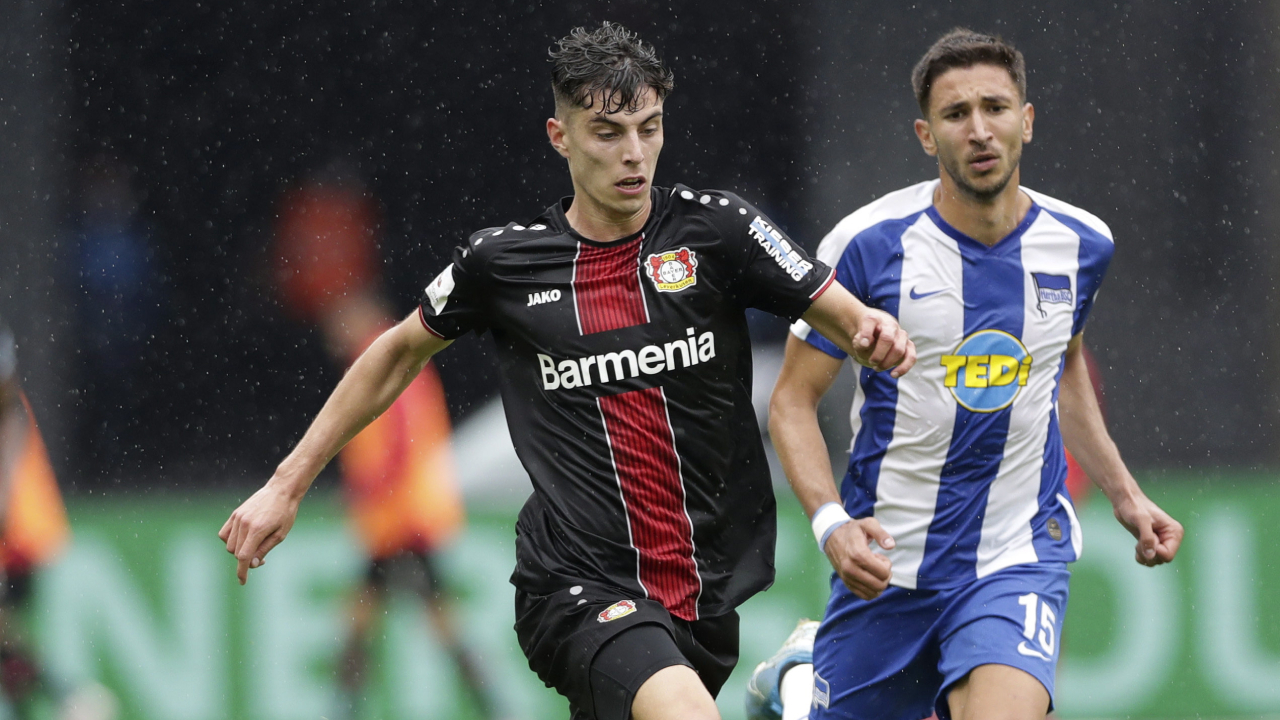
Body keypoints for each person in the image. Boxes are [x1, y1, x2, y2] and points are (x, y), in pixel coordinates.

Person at [220, 21, 916, 720]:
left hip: (700, 591)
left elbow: (842, 312)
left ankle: (784, 683)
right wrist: (287, 485)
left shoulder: (717, 232)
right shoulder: (504, 264)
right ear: (561, 137)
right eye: (609, 133)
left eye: (649, 128)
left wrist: (872, 330)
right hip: (573, 585)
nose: (635, 154)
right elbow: (397, 352)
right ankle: (793, 688)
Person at [761, 28, 1183, 720]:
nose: (980, 130)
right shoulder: (867, 246)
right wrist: (831, 524)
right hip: (890, 562)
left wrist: (1126, 497)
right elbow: (791, 403)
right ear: (927, 136)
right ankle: (798, 683)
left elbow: (1062, 364)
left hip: (1015, 555)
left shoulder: (1081, 244)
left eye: (995, 107)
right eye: (957, 115)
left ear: (1027, 120)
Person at [271, 166, 501, 719]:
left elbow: (400, 438)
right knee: (391, 621)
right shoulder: (389, 356)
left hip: (403, 517)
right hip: (399, 517)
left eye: (336, 325)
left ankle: (485, 706)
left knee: (403, 623)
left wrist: (369, 486)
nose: (331, 339)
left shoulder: (383, 359)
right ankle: (486, 705)